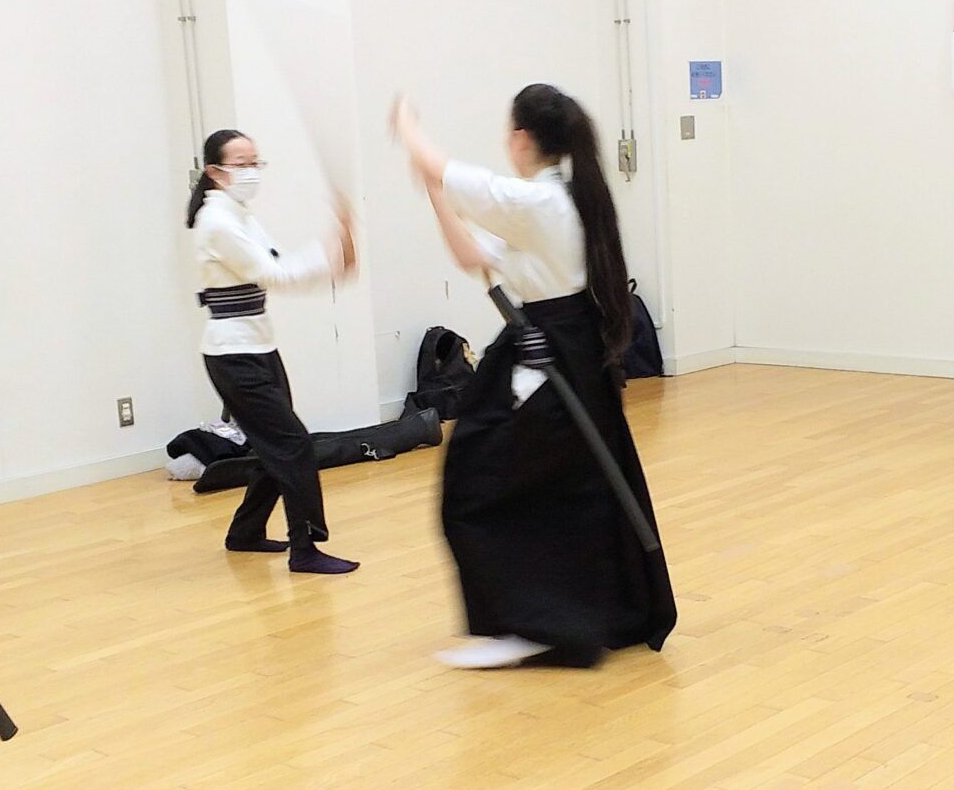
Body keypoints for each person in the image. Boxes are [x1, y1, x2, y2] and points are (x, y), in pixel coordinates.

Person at [392, 84, 676, 669]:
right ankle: (550, 617)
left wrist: (406, 125)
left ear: (521, 138)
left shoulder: (539, 202)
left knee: (484, 482)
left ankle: (539, 623)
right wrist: (437, 195)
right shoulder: (551, 202)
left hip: (554, 357)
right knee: (548, 483)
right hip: (549, 347)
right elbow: (473, 257)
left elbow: (442, 165)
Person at [186, 127, 360, 574]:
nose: (251, 171)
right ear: (215, 171)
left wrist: (333, 251)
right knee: (293, 444)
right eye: (241, 164)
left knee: (274, 445)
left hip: (259, 347)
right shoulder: (217, 222)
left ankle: (245, 533)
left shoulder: (239, 215)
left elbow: (278, 263)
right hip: (234, 356)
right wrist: (333, 253)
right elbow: (274, 275)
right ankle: (305, 548)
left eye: (255, 163)